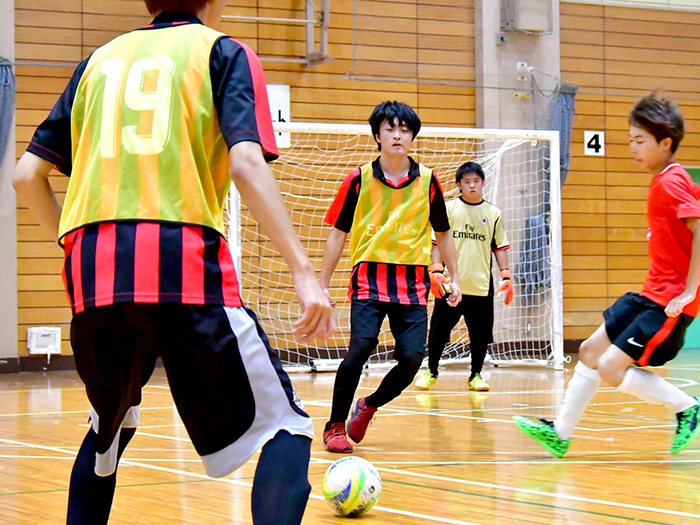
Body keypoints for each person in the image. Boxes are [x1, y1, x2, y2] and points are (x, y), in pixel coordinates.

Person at [12, 1, 335, 523]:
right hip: (179, 260)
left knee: (106, 432)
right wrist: (303, 271)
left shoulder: (98, 61)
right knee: (286, 428)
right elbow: (246, 164)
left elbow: (27, 176)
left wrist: (77, 254)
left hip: (91, 271)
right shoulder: (222, 52)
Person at [512, 92, 700, 458]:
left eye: (640, 140)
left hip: (669, 302)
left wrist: (689, 290)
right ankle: (560, 434)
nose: (632, 148)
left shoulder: (672, 182)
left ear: (665, 143)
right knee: (589, 351)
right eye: (631, 139)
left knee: (611, 368)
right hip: (650, 294)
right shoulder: (661, 180)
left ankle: (686, 406)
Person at [319, 100, 462, 453]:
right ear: (377, 136)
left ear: (412, 136)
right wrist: (321, 284)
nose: (398, 135)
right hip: (369, 278)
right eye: (390, 129)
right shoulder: (358, 179)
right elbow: (338, 233)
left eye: (404, 130)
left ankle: (369, 406)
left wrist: (455, 277)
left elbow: (443, 233)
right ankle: (335, 425)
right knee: (361, 346)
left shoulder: (429, 181)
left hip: (412, 284)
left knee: (413, 358)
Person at [415, 161, 512, 392]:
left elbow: (499, 247)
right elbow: (436, 242)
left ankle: (476, 375)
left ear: (483, 183)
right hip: (451, 286)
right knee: (438, 332)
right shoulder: (448, 209)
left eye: (476, 181)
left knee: (480, 334)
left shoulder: (493, 214)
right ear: (459, 185)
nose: (472, 186)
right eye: (466, 182)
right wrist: (436, 270)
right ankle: (431, 371)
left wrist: (506, 276)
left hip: (481, 286)